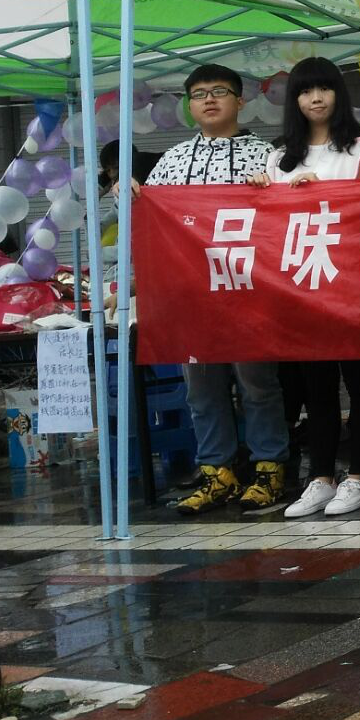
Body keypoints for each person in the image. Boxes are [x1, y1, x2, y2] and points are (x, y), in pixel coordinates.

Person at [145, 64, 285, 515]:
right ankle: (216, 472)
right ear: (189, 106)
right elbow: (151, 222)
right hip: (191, 295)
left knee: (257, 383)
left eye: (219, 91)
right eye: (199, 94)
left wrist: (270, 192)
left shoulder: (267, 156)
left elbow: (283, 221)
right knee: (201, 388)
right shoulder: (171, 161)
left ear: (240, 101)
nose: (209, 99)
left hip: (248, 290)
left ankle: (269, 468)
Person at [251, 57, 360, 519]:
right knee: (316, 386)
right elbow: (268, 226)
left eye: (324, 88)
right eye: (306, 91)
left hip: (352, 283)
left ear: (337, 94)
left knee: (359, 380)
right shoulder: (278, 158)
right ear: (295, 100)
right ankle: (321, 477)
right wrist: (263, 191)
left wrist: (321, 190)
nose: (315, 98)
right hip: (302, 288)